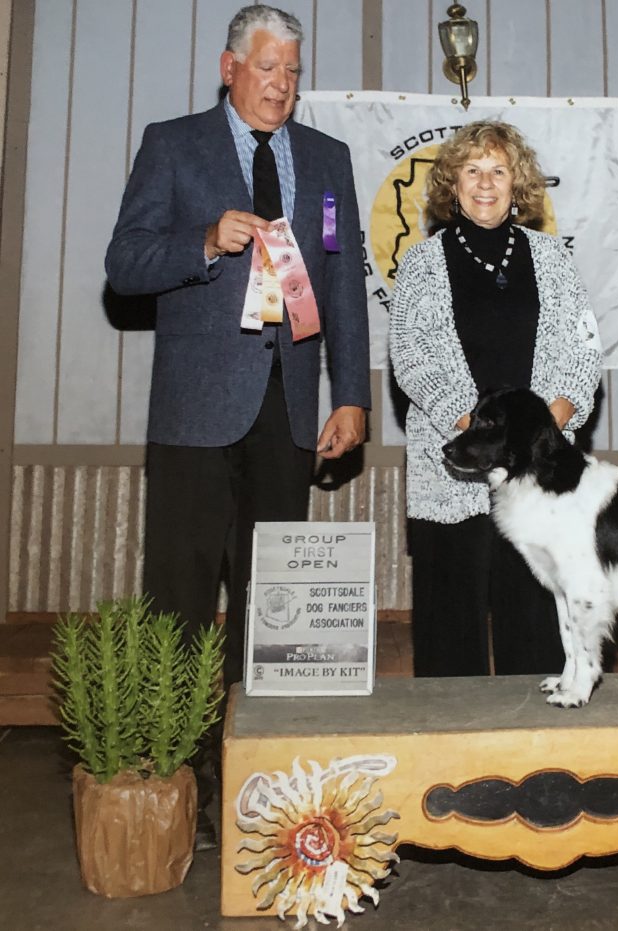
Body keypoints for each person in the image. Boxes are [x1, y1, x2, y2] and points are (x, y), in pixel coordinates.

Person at [105, 4, 370, 691]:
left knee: (274, 610)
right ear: (230, 70)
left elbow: (340, 279)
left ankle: (259, 782)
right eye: (267, 66)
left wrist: (350, 395)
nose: (281, 83)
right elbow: (125, 263)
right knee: (178, 601)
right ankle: (170, 771)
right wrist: (202, 240)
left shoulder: (328, 161)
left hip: (287, 414)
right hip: (194, 416)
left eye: (292, 70)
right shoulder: (171, 144)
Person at [389, 120, 602, 678]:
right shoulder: (421, 264)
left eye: (498, 171)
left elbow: (584, 350)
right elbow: (412, 359)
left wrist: (553, 419)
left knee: (535, 613)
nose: (486, 183)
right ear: (452, 183)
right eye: (473, 171)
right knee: (449, 612)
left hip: (538, 468)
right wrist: (476, 431)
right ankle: (450, 744)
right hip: (454, 467)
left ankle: (538, 738)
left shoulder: (553, 260)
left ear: (518, 183)